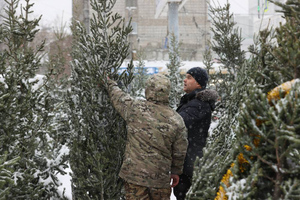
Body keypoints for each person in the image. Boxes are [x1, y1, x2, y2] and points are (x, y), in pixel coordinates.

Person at [105, 74, 188, 200]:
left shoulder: (135, 109)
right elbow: (180, 151)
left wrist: (110, 83)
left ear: (148, 89)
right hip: (160, 179)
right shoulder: (176, 120)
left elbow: (118, 96)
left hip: (135, 177)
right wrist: (176, 172)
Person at [174, 67, 218, 200]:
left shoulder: (198, 104)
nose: (185, 80)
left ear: (198, 83)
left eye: (189, 77)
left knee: (185, 194)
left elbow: (177, 123)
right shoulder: (192, 102)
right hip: (187, 160)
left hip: (190, 162)